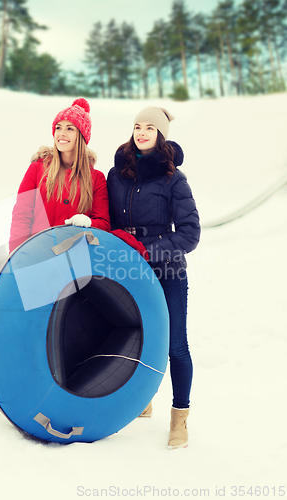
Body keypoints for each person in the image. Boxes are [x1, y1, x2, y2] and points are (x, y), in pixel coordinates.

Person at [0, 98, 111, 415]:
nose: (62, 133)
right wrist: (19, 255)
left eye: (69, 128)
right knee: (12, 324)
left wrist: (89, 222)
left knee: (58, 332)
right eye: (58, 127)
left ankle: (51, 395)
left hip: (73, 267)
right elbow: (21, 214)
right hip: (35, 260)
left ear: (82, 137)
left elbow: (105, 224)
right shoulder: (38, 169)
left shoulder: (95, 179)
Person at [106, 106, 200, 449]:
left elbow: (190, 234)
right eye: (136, 126)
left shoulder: (174, 179)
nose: (141, 132)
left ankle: (180, 418)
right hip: (130, 270)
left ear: (161, 134)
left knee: (175, 344)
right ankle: (141, 399)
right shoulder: (116, 175)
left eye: (149, 127)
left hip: (167, 270)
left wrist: (147, 248)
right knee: (137, 338)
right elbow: (108, 219)